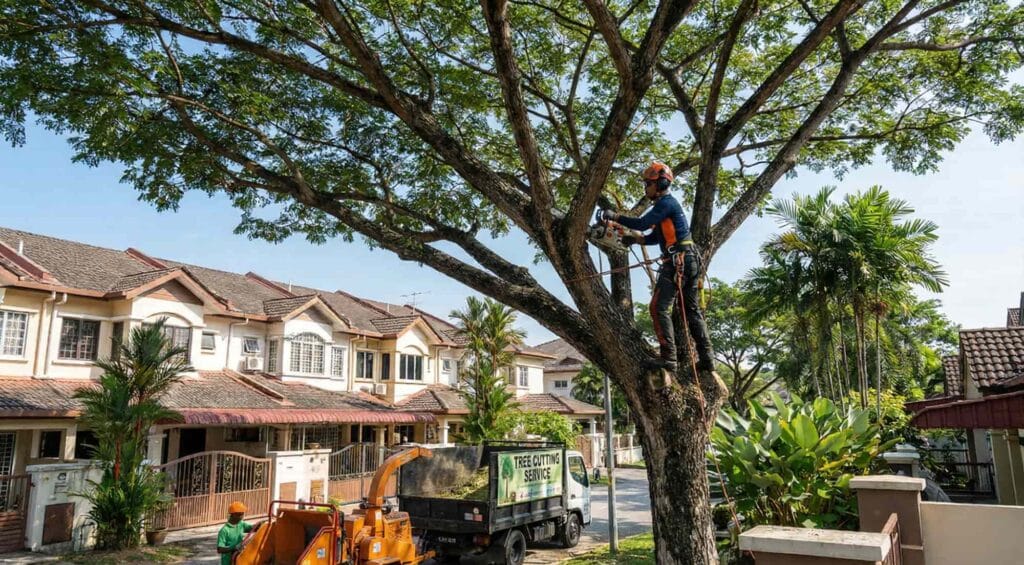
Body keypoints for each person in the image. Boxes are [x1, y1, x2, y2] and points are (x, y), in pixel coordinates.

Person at [601, 161, 715, 372]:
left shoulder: (666, 203)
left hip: (678, 262)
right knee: (692, 311)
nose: (646, 188)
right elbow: (654, 236)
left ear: (660, 183)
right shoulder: (665, 207)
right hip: (687, 260)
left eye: (648, 184)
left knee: (658, 307)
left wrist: (615, 216)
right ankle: (708, 359)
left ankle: (669, 359)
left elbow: (642, 224)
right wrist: (634, 241)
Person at [217, 501, 259, 565]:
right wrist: (233, 547)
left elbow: (252, 528)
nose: (242, 516)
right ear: (234, 514)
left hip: (239, 558)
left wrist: (260, 524)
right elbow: (220, 549)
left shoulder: (241, 524)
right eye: (241, 514)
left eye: (242, 513)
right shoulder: (224, 530)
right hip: (228, 561)